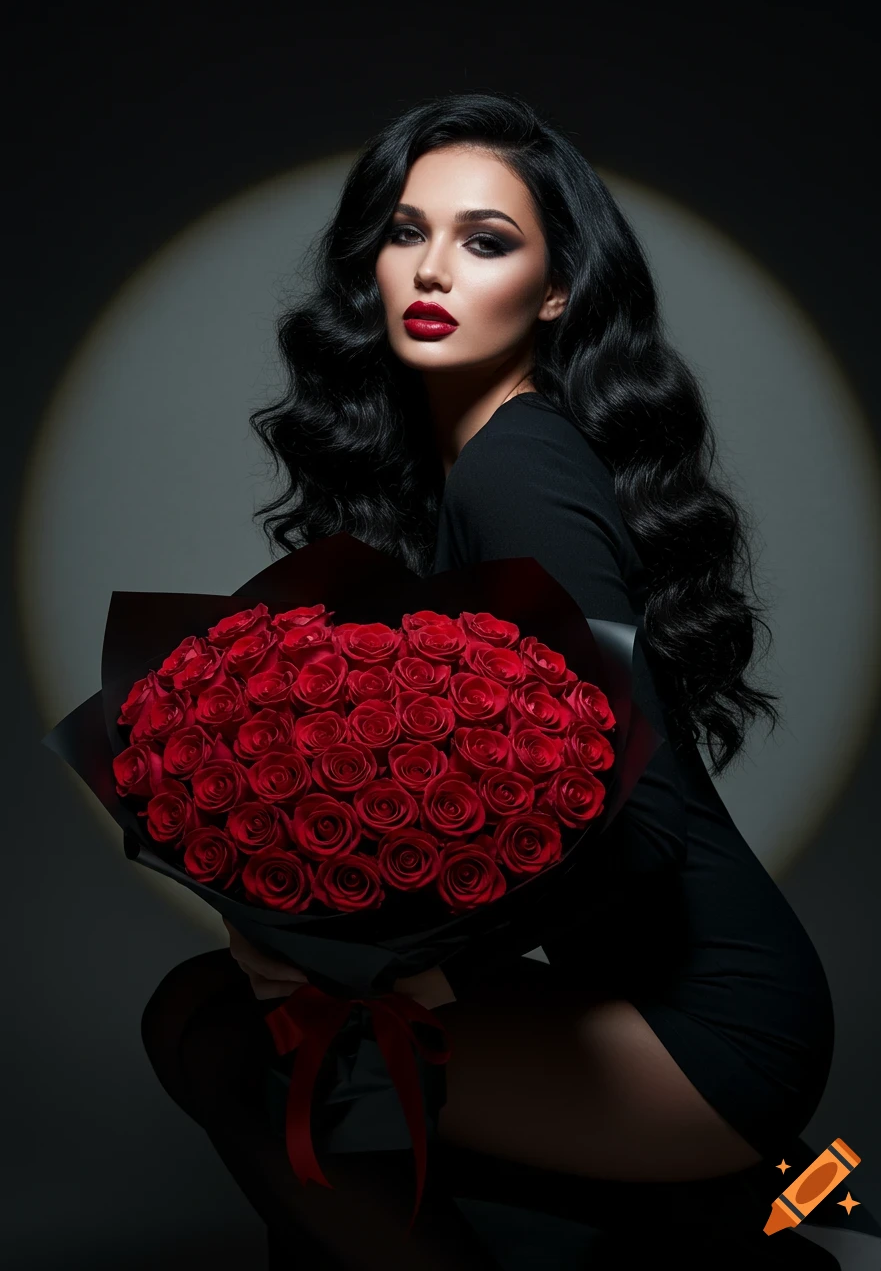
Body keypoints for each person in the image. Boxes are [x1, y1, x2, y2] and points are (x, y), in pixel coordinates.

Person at [140, 92, 837, 1269]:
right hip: (659, 997)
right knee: (226, 1018)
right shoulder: (468, 468)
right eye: (405, 232)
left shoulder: (517, 467)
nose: (430, 268)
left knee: (263, 1051)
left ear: (554, 290)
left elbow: (640, 819)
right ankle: (741, 1223)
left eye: (485, 240)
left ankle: (744, 1204)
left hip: (708, 1023)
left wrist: (397, 963)